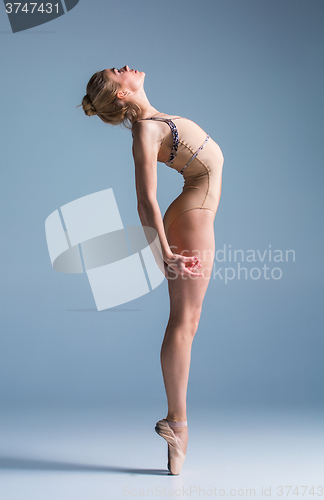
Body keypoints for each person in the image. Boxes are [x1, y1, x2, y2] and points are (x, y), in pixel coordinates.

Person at [80, 65, 224, 475]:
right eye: (117, 71)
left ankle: (177, 427)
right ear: (121, 93)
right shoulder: (146, 131)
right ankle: (177, 424)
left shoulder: (155, 120)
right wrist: (163, 253)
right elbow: (145, 200)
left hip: (196, 212)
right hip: (192, 217)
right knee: (185, 320)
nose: (126, 67)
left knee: (187, 320)